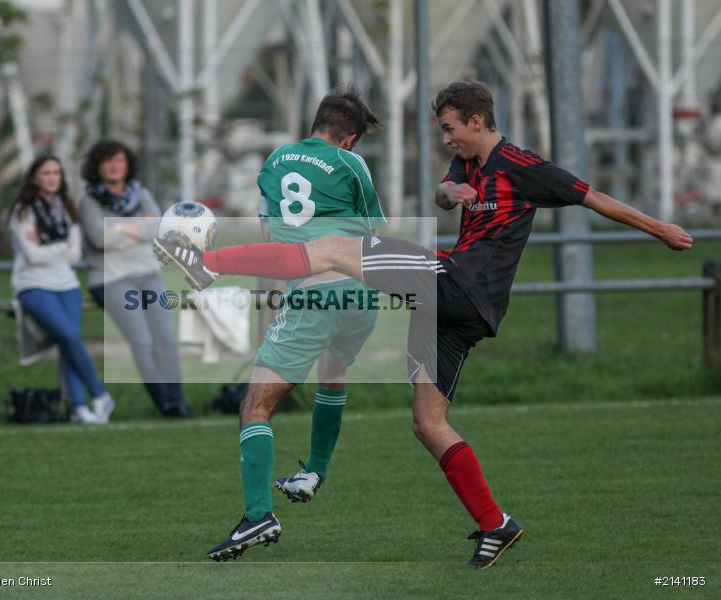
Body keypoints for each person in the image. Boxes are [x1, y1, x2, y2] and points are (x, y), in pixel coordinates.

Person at [155, 80, 694, 567]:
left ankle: (207, 264)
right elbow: (442, 192)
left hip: (458, 284)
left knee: (334, 249)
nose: (446, 139)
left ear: (476, 121)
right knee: (427, 422)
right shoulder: (466, 164)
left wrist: (661, 229)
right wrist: (448, 194)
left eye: (450, 128)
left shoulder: (522, 166)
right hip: (453, 308)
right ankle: (496, 524)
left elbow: (592, 197)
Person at [185, 84, 386, 561]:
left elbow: (269, 238)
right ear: (350, 139)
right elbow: (374, 233)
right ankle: (314, 471)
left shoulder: (275, 162)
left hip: (313, 293)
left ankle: (259, 515)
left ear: (315, 125)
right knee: (333, 370)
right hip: (361, 295)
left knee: (255, 407)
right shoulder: (352, 164)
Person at [79, 140, 193, 418]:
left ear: (127, 164)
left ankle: (178, 401)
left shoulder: (140, 193)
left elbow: (159, 227)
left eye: (119, 160)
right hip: (111, 279)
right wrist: (138, 228)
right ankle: (166, 404)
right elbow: (99, 238)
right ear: (97, 166)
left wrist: (119, 228)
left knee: (166, 339)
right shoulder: (89, 200)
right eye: (108, 161)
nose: (114, 166)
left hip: (147, 273)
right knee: (142, 341)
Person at [10, 155, 114, 424]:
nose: (52, 178)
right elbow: (32, 257)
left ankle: (78, 408)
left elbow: (75, 254)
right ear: (34, 177)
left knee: (70, 343)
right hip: (33, 284)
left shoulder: (66, 208)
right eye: (46, 173)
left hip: (67, 284)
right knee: (68, 335)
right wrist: (61, 247)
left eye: (56, 172)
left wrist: (49, 246)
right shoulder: (23, 211)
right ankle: (100, 393)